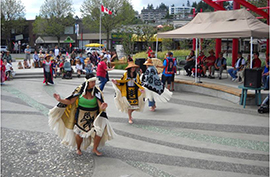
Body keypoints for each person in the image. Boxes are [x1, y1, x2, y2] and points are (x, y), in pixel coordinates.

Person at [49, 73, 116, 155]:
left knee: (99, 132)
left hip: (94, 115)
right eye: (92, 82)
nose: (94, 84)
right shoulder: (79, 90)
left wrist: (103, 106)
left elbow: (100, 106)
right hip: (81, 114)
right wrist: (60, 100)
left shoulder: (97, 91)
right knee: (79, 133)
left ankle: (95, 149)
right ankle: (78, 148)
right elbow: (70, 101)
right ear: (87, 82)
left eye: (94, 81)